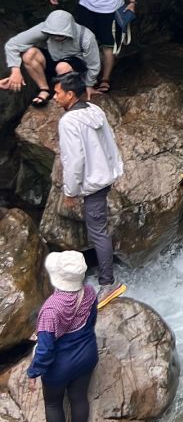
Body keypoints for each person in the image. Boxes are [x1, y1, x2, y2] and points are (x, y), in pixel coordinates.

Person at [27, 252, 98, 422]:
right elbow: (91, 321)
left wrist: (33, 372)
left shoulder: (50, 309)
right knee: (78, 397)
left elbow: (46, 350)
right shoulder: (89, 293)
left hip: (60, 367)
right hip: (86, 355)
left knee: (53, 402)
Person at [55, 73, 123, 292]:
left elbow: (74, 160)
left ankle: (107, 284)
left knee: (98, 232)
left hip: (92, 182)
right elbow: (109, 142)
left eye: (58, 93)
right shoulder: (95, 110)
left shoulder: (68, 121)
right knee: (98, 229)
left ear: (70, 94)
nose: (55, 97)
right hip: (104, 176)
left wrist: (70, 192)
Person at [0, 12, 100, 109]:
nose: (56, 37)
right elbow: (12, 44)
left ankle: (62, 94)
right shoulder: (44, 28)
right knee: (29, 54)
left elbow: (93, 64)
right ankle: (44, 90)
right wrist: (15, 71)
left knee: (62, 66)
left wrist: (89, 84)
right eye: (53, 34)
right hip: (53, 59)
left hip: (74, 65)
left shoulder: (86, 36)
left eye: (60, 35)